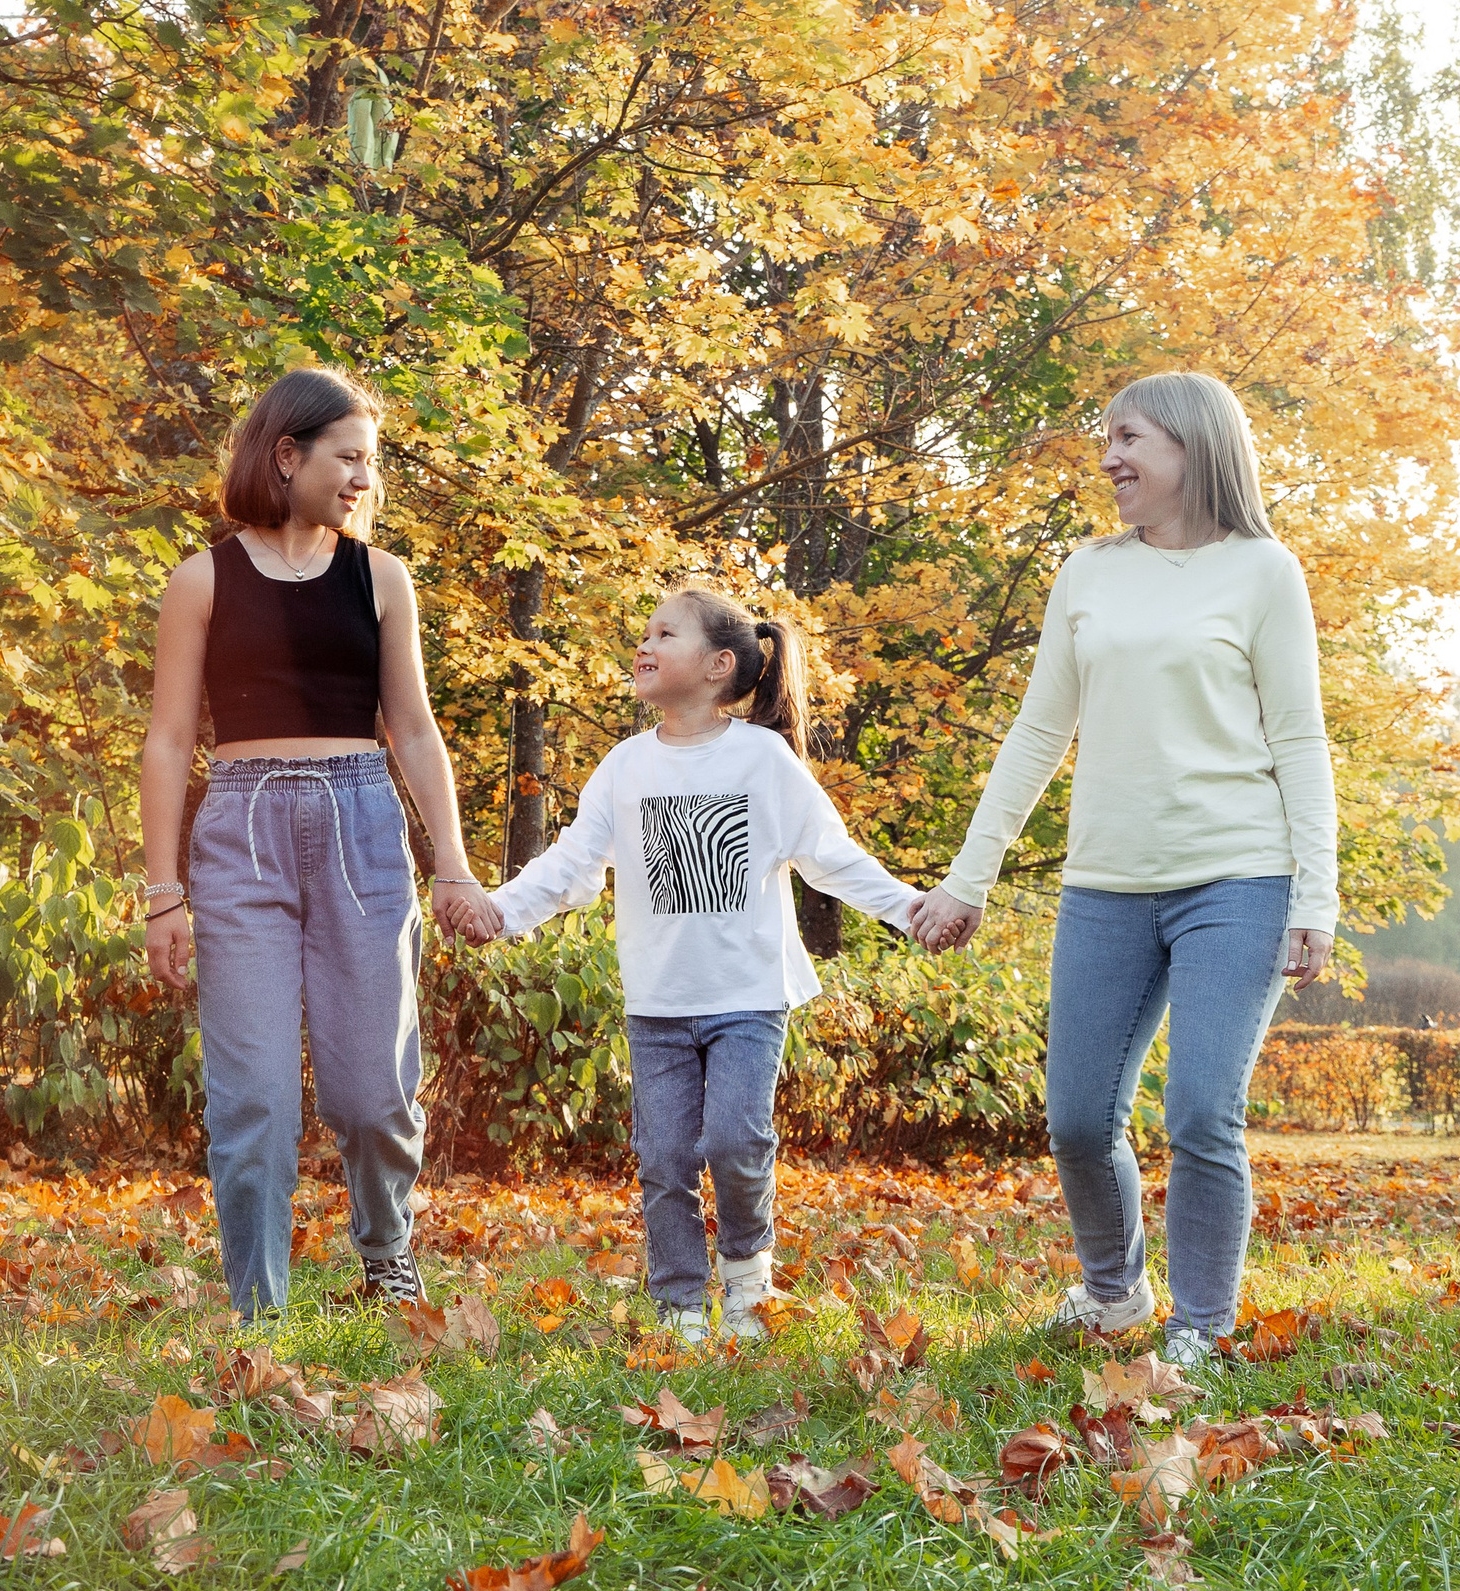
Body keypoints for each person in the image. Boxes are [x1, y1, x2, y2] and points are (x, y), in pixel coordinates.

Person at [907, 371, 1337, 1370]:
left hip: (1236, 876)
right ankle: (1113, 1292)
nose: (1108, 459)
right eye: (1107, 439)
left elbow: (1300, 740)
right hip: (1105, 882)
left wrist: (1316, 891)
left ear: (1191, 446)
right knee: (1077, 1118)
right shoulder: (1086, 572)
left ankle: (1199, 1325)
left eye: (1128, 438)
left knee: (1199, 1110)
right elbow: (1035, 731)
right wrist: (970, 874)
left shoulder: (1263, 571)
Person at [449, 587, 920, 1346]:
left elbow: (830, 858)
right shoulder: (624, 767)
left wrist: (912, 908)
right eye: (644, 631)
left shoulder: (762, 760)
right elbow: (571, 867)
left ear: (717, 665)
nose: (644, 644)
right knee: (665, 1155)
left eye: (664, 633)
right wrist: (498, 912)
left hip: (748, 996)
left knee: (735, 1142)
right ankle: (678, 1304)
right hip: (658, 1002)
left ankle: (745, 1276)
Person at [140, 367, 497, 1321]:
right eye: (349, 457)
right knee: (253, 1098)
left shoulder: (380, 578)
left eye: (369, 464)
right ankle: (261, 1306)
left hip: (360, 829)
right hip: (241, 835)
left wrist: (452, 865)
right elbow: (172, 740)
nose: (362, 479)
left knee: (374, 1089)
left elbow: (414, 731)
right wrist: (161, 891)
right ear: (286, 454)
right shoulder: (202, 578)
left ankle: (387, 1255)